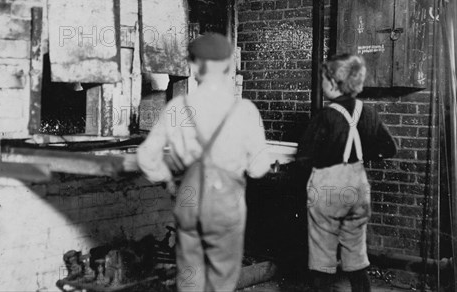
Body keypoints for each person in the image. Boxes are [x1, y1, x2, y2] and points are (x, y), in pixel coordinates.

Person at [136, 33, 271, 292]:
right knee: (221, 280)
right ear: (229, 65)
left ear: (194, 66)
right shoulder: (244, 111)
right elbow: (259, 168)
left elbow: (146, 157)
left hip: (189, 198)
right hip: (226, 205)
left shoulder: (178, 108)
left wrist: (166, 179)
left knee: (189, 276)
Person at [296, 54, 397, 292]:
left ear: (332, 82)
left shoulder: (325, 116)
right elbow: (389, 148)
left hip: (328, 189)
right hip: (357, 187)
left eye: (323, 78)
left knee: (323, 255)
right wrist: (362, 154)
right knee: (356, 255)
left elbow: (304, 157)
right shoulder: (368, 113)